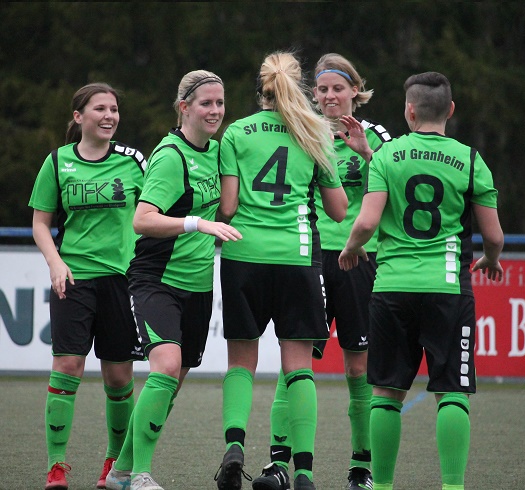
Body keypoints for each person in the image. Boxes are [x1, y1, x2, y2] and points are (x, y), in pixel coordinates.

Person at [338, 72, 504, 490]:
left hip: (392, 288)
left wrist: (352, 248)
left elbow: (367, 222)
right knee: (452, 392)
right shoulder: (471, 160)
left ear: (409, 111)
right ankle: (452, 487)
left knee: (386, 393)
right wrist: (490, 258)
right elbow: (494, 236)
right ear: (451, 110)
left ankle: (383, 485)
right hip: (447, 289)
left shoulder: (388, 155)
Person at [252, 53, 391, 490]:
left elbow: (396, 190)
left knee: (357, 368)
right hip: (308, 257)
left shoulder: (377, 137)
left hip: (359, 259)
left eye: (338, 88)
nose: (330, 96)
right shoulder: (303, 131)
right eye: (324, 89)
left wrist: (366, 152)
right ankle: (278, 463)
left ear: (355, 91)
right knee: (294, 364)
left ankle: (361, 468)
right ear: (313, 93)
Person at [214, 51, 348, 490]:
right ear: (300, 86)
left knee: (240, 363)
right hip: (297, 257)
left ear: (261, 90)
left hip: (243, 255)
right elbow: (338, 209)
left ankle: (235, 448)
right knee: (298, 369)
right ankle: (304, 473)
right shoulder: (315, 131)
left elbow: (228, 207)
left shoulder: (237, 132)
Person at [105, 70, 241, 490]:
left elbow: (228, 209)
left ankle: (119, 472)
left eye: (220, 102)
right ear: (184, 107)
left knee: (169, 386)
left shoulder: (218, 150)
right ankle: (140, 475)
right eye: (206, 103)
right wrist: (196, 223)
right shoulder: (170, 155)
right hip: (157, 280)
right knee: (164, 368)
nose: (215, 110)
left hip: (198, 286)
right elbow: (142, 220)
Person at [29, 82, 147, 490]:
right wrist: (55, 263)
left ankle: (114, 465)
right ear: (79, 116)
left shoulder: (134, 161)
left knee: (118, 377)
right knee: (67, 366)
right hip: (73, 279)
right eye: (100, 109)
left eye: (114, 109)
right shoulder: (57, 161)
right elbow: (40, 223)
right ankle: (56, 467)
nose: (109, 115)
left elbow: (156, 209)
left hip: (122, 281)